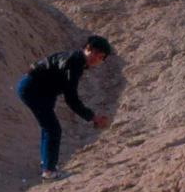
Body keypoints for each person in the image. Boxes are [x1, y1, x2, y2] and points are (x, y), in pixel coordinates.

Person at [16, 35, 113, 180]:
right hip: (34, 89)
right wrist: (93, 117)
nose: (97, 59)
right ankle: (49, 171)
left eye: (101, 57)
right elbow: (71, 99)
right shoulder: (74, 62)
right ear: (88, 49)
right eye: (96, 54)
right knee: (53, 129)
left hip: (43, 90)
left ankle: (47, 165)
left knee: (48, 127)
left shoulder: (76, 60)